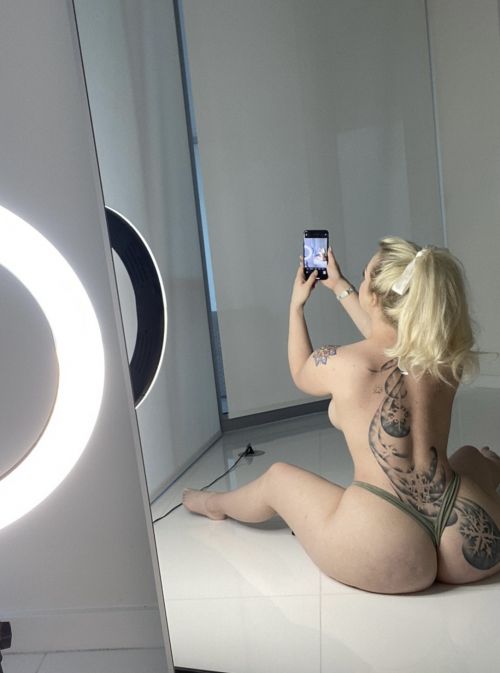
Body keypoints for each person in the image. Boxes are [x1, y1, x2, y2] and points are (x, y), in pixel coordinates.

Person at [183, 237, 500, 594]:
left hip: (387, 543)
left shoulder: (342, 363)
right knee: (472, 455)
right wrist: (340, 286)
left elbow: (301, 369)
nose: (360, 282)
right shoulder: (442, 361)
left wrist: (296, 307)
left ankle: (212, 504)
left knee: (277, 478)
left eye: (365, 276)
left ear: (375, 297)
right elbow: (387, 338)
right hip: (468, 533)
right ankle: (491, 467)